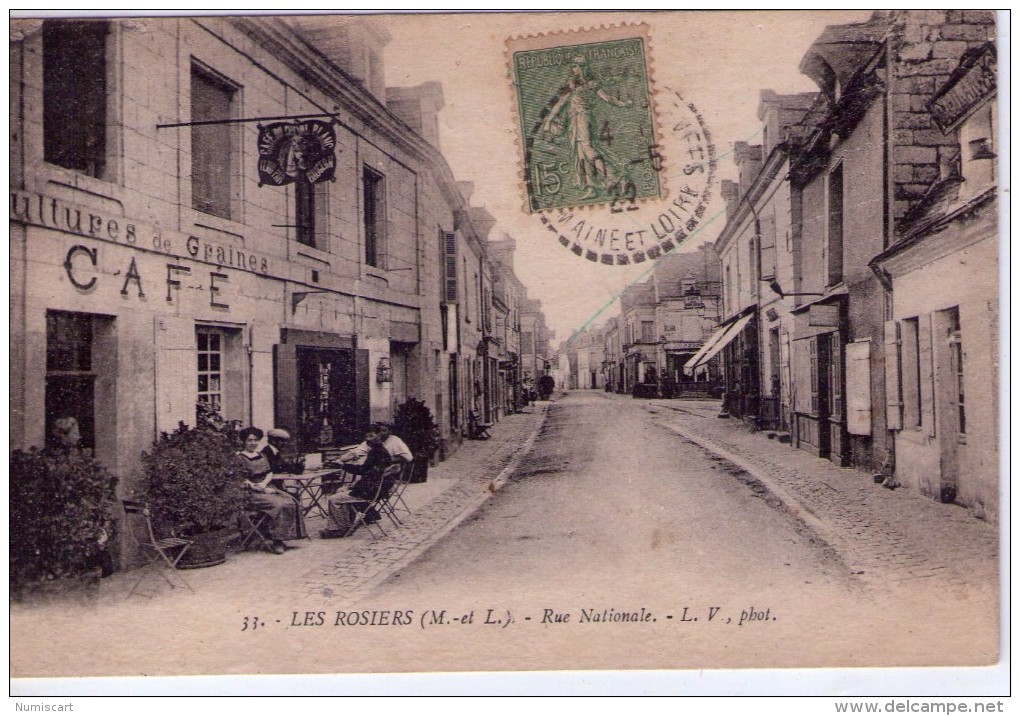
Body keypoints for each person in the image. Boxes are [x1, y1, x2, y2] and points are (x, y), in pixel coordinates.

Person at [540, 55, 633, 199]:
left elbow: (606, 98)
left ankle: (616, 177)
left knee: (587, 149)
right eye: (573, 66)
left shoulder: (583, 84)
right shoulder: (582, 84)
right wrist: (623, 104)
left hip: (582, 119)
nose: (573, 69)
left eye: (576, 66)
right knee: (581, 153)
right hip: (577, 120)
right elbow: (561, 103)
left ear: (582, 67)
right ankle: (591, 188)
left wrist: (548, 122)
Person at [321, 425, 403, 538]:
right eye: (366, 436)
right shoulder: (381, 450)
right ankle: (348, 523)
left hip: (371, 491)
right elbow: (369, 472)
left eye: (371, 436)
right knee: (342, 491)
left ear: (379, 435)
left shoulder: (376, 452)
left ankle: (339, 529)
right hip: (380, 489)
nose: (368, 439)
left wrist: (343, 465)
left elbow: (362, 470)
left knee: (334, 498)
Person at [236, 426, 302, 554]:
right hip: (249, 492)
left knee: (290, 501)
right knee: (278, 504)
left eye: (255, 440)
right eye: (249, 440)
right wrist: (256, 486)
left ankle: (284, 537)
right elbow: (239, 478)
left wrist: (264, 485)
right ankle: (276, 541)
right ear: (244, 441)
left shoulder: (261, 455)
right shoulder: (239, 457)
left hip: (265, 487)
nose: (253, 443)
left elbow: (269, 472)